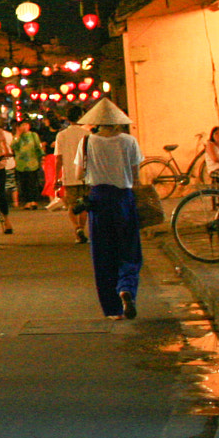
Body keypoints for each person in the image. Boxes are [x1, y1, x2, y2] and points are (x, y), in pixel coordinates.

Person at [78, 100, 145, 319]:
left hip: (98, 199)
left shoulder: (87, 141)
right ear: (118, 122)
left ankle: (112, 309)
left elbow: (80, 174)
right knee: (129, 250)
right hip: (123, 198)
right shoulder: (129, 142)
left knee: (103, 254)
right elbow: (135, 176)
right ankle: (126, 288)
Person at [54, 113, 92, 242]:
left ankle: (76, 228)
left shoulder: (62, 135)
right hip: (86, 175)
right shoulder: (87, 135)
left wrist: (56, 177)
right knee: (84, 205)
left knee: (72, 204)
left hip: (69, 175)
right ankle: (81, 227)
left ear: (68, 119)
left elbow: (58, 158)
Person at [12, 120, 45, 208]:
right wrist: (18, 135)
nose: (25, 127)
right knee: (23, 183)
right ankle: (27, 201)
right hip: (21, 164)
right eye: (23, 125)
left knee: (32, 182)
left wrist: (42, 157)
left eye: (26, 125)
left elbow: (38, 147)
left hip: (32, 162)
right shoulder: (17, 137)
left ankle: (33, 201)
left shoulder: (33, 135)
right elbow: (13, 146)